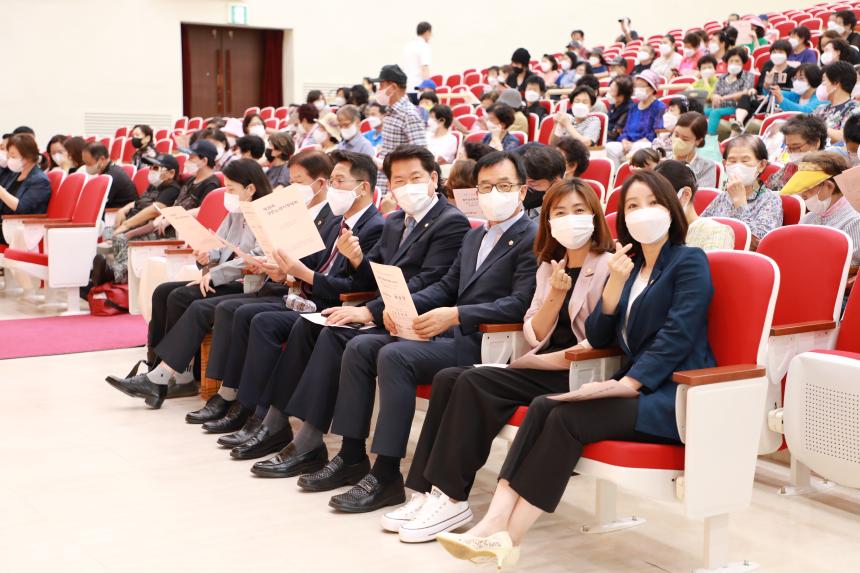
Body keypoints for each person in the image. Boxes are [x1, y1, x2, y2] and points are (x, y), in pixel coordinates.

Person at [436, 170, 714, 568]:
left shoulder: (689, 261)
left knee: (564, 416)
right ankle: (494, 523)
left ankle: (509, 537)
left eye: (653, 203)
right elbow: (600, 335)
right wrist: (614, 287)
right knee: (545, 405)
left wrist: (628, 383)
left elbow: (678, 334)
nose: (643, 212)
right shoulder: (630, 267)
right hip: (635, 387)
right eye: (632, 205)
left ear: (671, 209)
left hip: (671, 394)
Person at [306, 150, 537, 514]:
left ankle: (386, 474)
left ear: (522, 191)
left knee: (394, 356)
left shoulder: (532, 237)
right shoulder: (477, 236)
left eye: (504, 186)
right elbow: (446, 285)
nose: (495, 194)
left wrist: (457, 315)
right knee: (361, 347)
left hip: (489, 341)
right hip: (453, 333)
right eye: (486, 186)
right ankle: (351, 455)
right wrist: (401, 309)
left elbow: (520, 303)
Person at [385, 179, 614, 542]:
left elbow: (603, 334)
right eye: (560, 212)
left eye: (578, 210)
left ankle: (453, 496)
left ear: (594, 216)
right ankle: (427, 492)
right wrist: (555, 296)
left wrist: (555, 354)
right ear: (549, 221)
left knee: (473, 381)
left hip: (576, 369)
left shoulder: (607, 265)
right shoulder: (548, 266)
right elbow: (534, 331)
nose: (570, 219)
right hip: (540, 363)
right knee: (447, 378)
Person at [235, 145, 472, 476]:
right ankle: (277, 422)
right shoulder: (395, 221)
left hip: (417, 318)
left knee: (336, 337)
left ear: (433, 178)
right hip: (385, 311)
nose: (406, 186)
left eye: (415, 178)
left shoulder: (451, 222)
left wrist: (369, 311)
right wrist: (359, 260)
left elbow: (430, 284)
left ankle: (318, 444)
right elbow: (372, 277)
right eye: (398, 180)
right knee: (309, 326)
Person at [105, 159, 273, 408]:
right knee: (163, 292)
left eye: (231, 189)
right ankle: (155, 367)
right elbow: (220, 246)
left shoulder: (265, 215)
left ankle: (172, 376)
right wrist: (207, 254)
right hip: (223, 275)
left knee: (181, 296)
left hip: (247, 282)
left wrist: (215, 273)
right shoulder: (236, 213)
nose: (227, 194)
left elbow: (256, 258)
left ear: (250, 188)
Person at [94, 154, 183, 285]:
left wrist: (126, 225)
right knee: (107, 232)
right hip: (133, 222)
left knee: (120, 238)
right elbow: (139, 202)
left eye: (156, 168)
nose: (151, 170)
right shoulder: (154, 186)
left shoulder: (172, 189)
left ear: (171, 173)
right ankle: (103, 271)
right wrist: (122, 210)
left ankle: (116, 275)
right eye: (150, 167)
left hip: (145, 227)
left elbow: (154, 210)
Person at [779, 151, 860, 265]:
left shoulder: (855, 221)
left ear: (829, 186)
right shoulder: (808, 218)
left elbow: (851, 267)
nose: (803, 194)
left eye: (808, 188)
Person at [701, 135, 783, 247]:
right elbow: (700, 226)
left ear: (761, 165)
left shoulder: (770, 200)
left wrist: (739, 202)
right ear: (725, 165)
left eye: (745, 161)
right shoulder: (723, 196)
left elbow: (759, 244)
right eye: (732, 161)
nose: (738, 166)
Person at [371, 64, 428, 192]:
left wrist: (388, 165)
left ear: (393, 87)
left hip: (399, 187)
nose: (379, 90)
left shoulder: (408, 114)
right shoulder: (390, 111)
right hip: (385, 182)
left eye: (381, 85)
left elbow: (421, 155)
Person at [654, 160, 734, 250]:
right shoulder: (657, 232)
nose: (654, 208)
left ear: (685, 194)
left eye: (660, 199)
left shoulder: (716, 232)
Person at [606, 70, 666, 166]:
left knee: (638, 148)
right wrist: (624, 140)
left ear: (651, 89)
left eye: (641, 86)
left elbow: (656, 132)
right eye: (636, 86)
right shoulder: (633, 107)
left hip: (646, 143)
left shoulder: (659, 106)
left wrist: (635, 143)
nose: (637, 89)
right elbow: (625, 130)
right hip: (629, 142)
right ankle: (616, 173)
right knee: (610, 147)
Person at [0, 134, 51, 245]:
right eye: (9, 156)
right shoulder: (15, 174)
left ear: (27, 157)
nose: (9, 159)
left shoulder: (40, 181)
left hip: (19, 229)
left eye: (13, 156)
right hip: (5, 224)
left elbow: (22, 208)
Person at [734, 40, 796, 131]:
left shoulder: (792, 71)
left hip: (776, 103)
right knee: (746, 97)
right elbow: (760, 85)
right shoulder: (768, 65)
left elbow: (790, 92)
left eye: (780, 52)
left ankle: (739, 130)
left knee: (750, 109)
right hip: (761, 99)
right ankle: (739, 123)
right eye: (774, 52)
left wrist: (770, 94)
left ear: (787, 54)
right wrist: (755, 90)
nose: (777, 55)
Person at [767, 114, 827, 192]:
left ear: (816, 142)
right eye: (788, 148)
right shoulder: (790, 167)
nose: (792, 153)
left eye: (796, 147)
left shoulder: (827, 172)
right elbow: (767, 189)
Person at [705, 47, 755, 136]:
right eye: (731, 61)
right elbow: (715, 93)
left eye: (737, 61)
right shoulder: (722, 77)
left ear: (742, 62)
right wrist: (715, 97)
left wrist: (723, 98)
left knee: (715, 113)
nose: (734, 63)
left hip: (736, 107)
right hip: (720, 107)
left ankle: (710, 139)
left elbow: (745, 93)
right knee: (701, 111)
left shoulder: (748, 76)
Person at [81, 142, 138, 209]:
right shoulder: (110, 170)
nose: (86, 166)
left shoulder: (111, 177)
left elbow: (99, 204)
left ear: (102, 159)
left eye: (89, 163)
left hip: (121, 211)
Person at [516, 143, 566, 220]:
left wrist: (547, 203)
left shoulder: (564, 203)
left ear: (556, 181)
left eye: (532, 182)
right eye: (524, 178)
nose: (526, 184)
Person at [667, 112, 718, 187]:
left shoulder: (706, 167)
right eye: (676, 135)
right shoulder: (662, 159)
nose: (678, 141)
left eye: (685, 139)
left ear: (698, 141)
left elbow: (703, 193)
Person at [813, 61, 859, 144]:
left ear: (836, 83)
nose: (822, 85)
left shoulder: (855, 109)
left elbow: (845, 137)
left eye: (824, 81)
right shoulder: (820, 109)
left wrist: (814, 126)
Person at [403, 21, 433, 103]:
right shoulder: (424, 46)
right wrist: (427, 87)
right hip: (418, 87)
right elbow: (424, 67)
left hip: (406, 87)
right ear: (427, 32)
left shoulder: (408, 46)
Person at [606, 75, 633, 142]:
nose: (609, 93)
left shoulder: (629, 109)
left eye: (612, 91)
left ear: (622, 95)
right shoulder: (614, 104)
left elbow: (616, 133)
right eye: (610, 89)